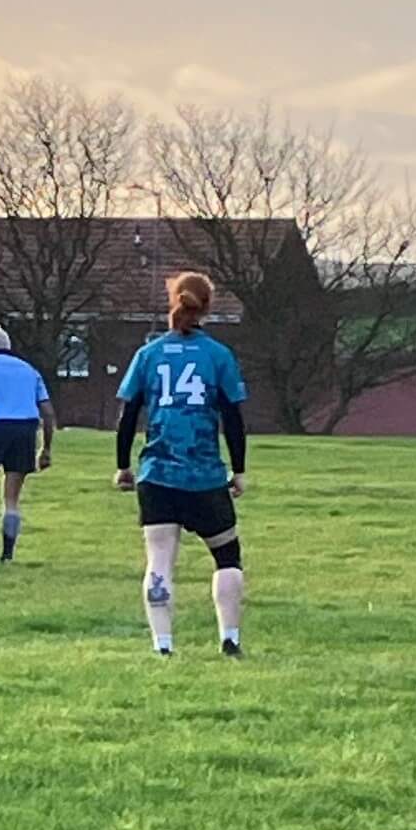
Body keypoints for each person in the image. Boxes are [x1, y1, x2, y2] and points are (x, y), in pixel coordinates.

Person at [115, 272, 249, 659]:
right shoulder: (219, 356)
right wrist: (238, 469)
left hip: (157, 473)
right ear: (208, 305)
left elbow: (128, 416)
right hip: (205, 474)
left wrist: (123, 465)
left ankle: (163, 645)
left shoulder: (149, 354)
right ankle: (230, 638)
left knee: (159, 560)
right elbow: (232, 416)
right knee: (227, 556)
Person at [0, 326, 55, 564]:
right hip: (26, 428)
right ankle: (7, 555)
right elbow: (47, 411)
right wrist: (46, 448)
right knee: (12, 498)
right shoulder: (29, 370)